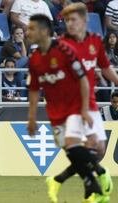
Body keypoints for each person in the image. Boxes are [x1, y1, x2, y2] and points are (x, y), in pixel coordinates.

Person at [26, 14, 102, 203]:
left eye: (32, 28)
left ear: (44, 31)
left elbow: (84, 80)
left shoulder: (64, 50)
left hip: (74, 107)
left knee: (76, 145)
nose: (28, 32)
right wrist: (32, 117)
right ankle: (87, 179)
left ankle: (95, 175)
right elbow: (34, 89)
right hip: (55, 111)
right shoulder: (34, 58)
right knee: (71, 151)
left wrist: (84, 109)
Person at [47, 3, 116, 203]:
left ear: (85, 21)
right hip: (68, 105)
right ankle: (95, 181)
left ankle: (59, 179)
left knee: (99, 149)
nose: (69, 24)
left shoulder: (95, 41)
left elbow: (105, 68)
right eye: (66, 20)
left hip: (90, 102)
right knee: (74, 147)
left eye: (73, 20)